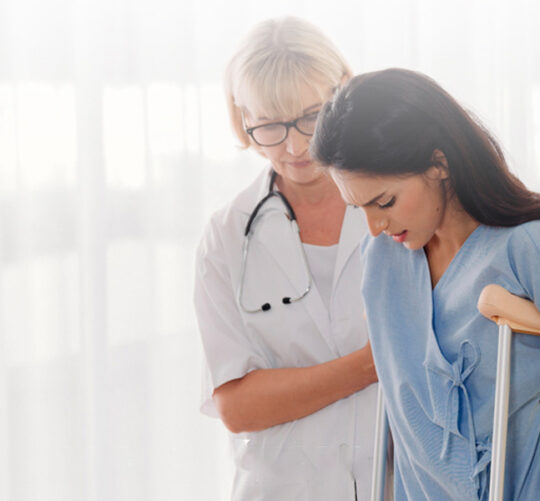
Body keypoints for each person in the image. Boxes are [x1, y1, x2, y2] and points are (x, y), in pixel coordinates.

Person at [311, 67, 540, 500]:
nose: (375, 226)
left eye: (384, 202)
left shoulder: (524, 246)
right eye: (357, 207)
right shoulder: (382, 260)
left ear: (439, 164)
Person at [194, 17, 380, 501]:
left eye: (311, 116)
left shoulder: (397, 202)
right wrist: (370, 363)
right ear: (243, 118)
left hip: (399, 479)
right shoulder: (228, 234)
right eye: (271, 126)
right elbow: (237, 405)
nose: (296, 147)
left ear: (344, 93)